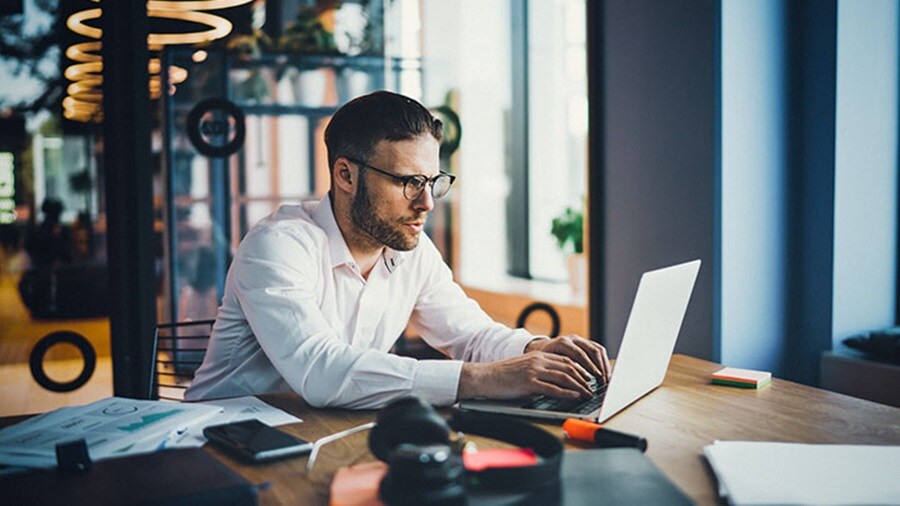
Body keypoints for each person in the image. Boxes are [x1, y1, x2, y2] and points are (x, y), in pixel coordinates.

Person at [186, 91, 610, 408]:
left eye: (433, 182)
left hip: (320, 434)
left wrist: (535, 350)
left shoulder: (411, 250)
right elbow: (321, 372)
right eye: (409, 182)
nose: (427, 203)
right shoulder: (278, 246)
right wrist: (487, 379)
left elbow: (470, 334)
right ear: (345, 175)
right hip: (216, 444)